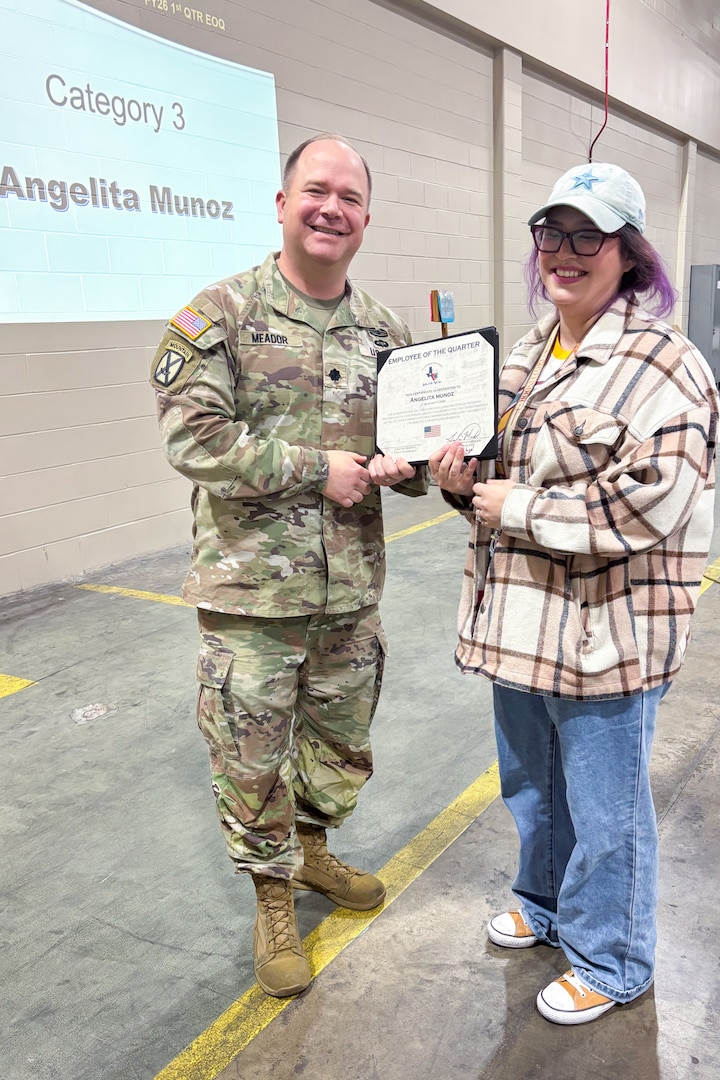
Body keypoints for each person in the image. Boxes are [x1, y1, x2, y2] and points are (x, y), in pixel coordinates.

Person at [430, 162, 718, 1025]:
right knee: (532, 789)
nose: (562, 252)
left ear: (628, 254)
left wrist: (512, 503)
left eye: (586, 235)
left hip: (609, 631)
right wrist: (458, 479)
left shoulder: (668, 366)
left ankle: (614, 956)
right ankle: (547, 904)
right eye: (549, 233)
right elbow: (495, 475)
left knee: (607, 809)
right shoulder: (528, 349)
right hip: (520, 621)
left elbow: (648, 506)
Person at [150, 134, 428, 998]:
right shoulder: (220, 316)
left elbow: (413, 449)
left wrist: (420, 468)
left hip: (351, 593)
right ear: (282, 203)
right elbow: (193, 440)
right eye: (316, 191)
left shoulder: (388, 333)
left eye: (348, 197)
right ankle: (271, 897)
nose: (330, 208)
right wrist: (319, 467)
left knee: (341, 748)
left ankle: (312, 854)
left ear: (365, 219)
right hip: (251, 599)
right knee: (251, 754)